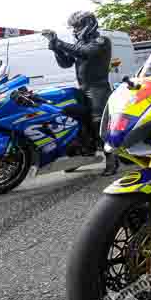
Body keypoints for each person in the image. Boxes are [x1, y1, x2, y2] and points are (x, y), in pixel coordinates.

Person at [41, 11, 119, 176]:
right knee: (73, 116)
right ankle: (82, 154)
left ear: (89, 24)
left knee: (99, 123)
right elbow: (66, 63)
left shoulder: (101, 41)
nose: (75, 30)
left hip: (98, 89)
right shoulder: (80, 44)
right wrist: (56, 49)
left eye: (77, 26)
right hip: (83, 89)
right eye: (74, 27)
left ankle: (111, 158)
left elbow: (84, 53)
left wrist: (59, 43)